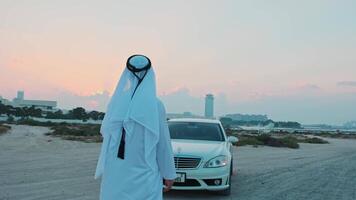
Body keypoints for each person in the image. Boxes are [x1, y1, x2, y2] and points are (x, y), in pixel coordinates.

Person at [95, 55, 176, 200]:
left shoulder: (116, 103)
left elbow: (106, 137)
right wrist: (169, 174)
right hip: (144, 176)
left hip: (115, 176)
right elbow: (163, 143)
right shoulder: (155, 105)